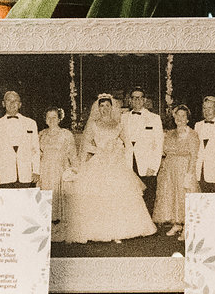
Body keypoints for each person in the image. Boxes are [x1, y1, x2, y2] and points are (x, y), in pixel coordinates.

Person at [63, 93, 156, 243]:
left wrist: (117, 149)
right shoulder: (94, 124)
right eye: (102, 106)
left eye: (107, 106)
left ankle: (119, 231)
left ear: (112, 107)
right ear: (98, 108)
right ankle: (99, 231)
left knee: (118, 196)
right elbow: (86, 145)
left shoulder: (118, 124)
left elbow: (127, 144)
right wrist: (99, 150)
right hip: (99, 162)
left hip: (116, 163)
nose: (105, 109)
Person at [154, 103, 200, 235]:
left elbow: (194, 155)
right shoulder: (170, 134)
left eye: (183, 116)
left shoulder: (192, 134)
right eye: (177, 116)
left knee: (183, 196)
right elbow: (164, 150)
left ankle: (187, 226)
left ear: (188, 119)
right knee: (172, 195)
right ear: (174, 118)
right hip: (170, 169)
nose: (180, 119)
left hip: (184, 168)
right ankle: (177, 224)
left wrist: (189, 174)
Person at [121, 86, 164, 214]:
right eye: (134, 98)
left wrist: (154, 167)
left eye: (139, 98)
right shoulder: (123, 118)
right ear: (130, 100)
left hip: (146, 164)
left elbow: (159, 144)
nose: (137, 101)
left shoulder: (154, 118)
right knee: (130, 195)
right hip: (128, 162)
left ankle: (148, 228)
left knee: (148, 195)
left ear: (144, 100)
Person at [0, 89, 39, 187]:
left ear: (20, 104)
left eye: (15, 101)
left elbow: (35, 150)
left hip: (26, 175)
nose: (12, 103)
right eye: (9, 100)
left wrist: (36, 170)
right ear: (3, 103)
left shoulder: (31, 123)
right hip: (4, 176)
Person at [37, 105, 76, 223]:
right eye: (48, 117)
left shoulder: (66, 134)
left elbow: (73, 154)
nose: (51, 120)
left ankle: (59, 229)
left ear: (59, 119)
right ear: (45, 120)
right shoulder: (41, 134)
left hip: (60, 171)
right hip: (44, 171)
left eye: (54, 117)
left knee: (58, 200)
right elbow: (37, 154)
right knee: (45, 200)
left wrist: (74, 170)